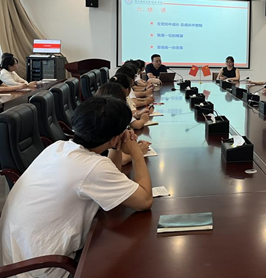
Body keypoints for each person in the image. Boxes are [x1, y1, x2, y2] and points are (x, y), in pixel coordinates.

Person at [0, 97, 153, 276]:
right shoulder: (93, 167)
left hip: (17, 260)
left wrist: (115, 146)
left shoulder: (58, 147)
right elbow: (144, 201)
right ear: (115, 137)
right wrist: (136, 153)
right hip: (42, 269)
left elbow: (114, 176)